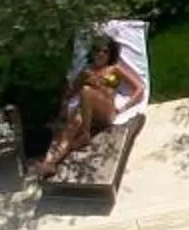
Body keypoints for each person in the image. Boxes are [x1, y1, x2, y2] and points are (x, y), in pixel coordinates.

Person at [34, 36, 142, 179]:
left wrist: (123, 108)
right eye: (97, 50)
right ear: (93, 53)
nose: (100, 54)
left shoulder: (114, 70)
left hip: (106, 112)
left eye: (105, 51)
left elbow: (139, 88)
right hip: (88, 116)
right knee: (69, 129)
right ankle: (51, 163)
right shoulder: (86, 73)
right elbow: (71, 92)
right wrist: (63, 104)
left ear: (110, 54)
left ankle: (85, 134)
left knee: (86, 91)